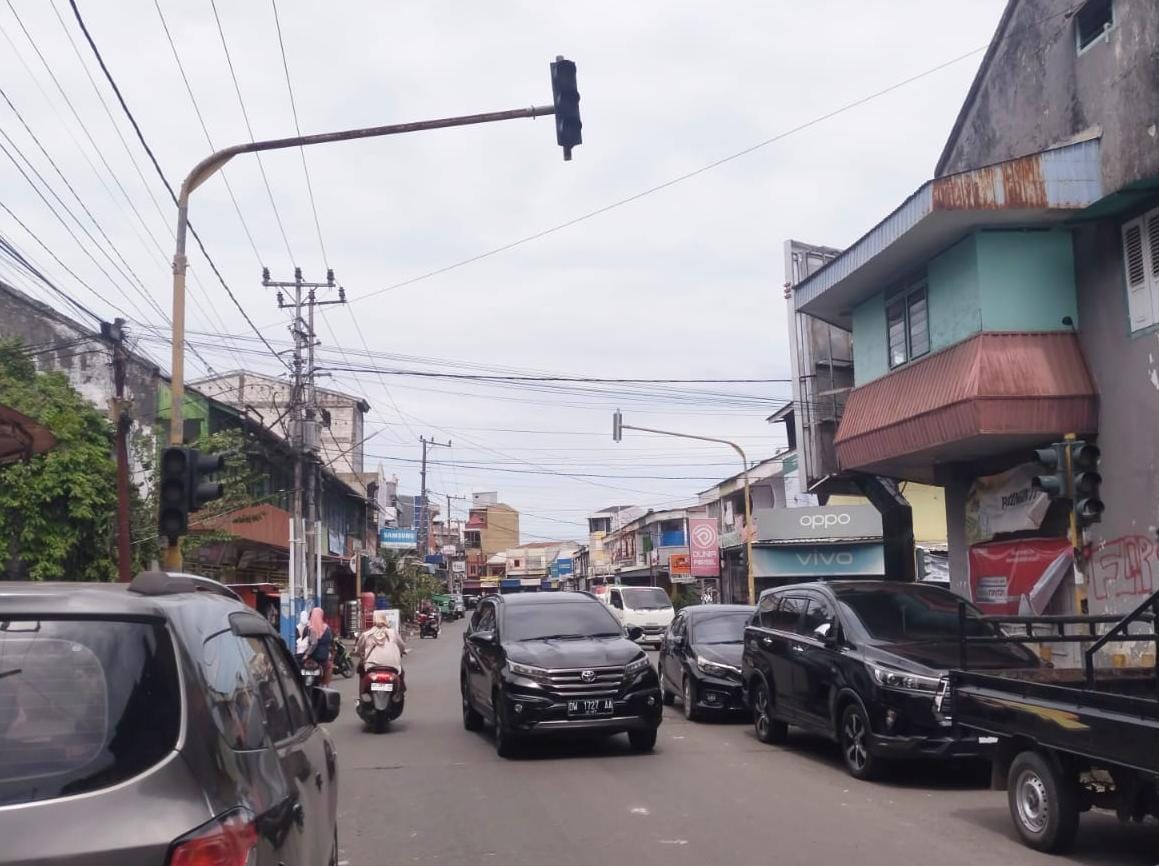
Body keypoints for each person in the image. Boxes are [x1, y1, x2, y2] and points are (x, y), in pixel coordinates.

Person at [355, 610, 408, 682]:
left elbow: (359, 649)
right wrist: (402, 651)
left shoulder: (366, 634)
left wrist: (360, 654)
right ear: (385, 619)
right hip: (392, 666)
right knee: (401, 674)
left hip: (371, 666)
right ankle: (400, 692)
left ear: (374, 620)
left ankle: (362, 691)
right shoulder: (393, 633)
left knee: (362, 672)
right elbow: (402, 646)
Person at [306, 607, 334, 686]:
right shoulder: (326, 628)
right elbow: (330, 641)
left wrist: (307, 654)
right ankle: (326, 685)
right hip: (324, 656)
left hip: (313, 656)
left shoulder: (310, 628)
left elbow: (313, 644)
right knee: (329, 666)